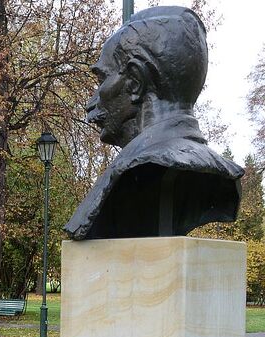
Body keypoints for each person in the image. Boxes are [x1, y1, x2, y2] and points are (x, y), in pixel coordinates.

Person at [64, 6, 243, 240]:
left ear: (135, 82)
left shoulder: (137, 168)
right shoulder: (216, 172)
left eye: (102, 79)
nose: (91, 102)